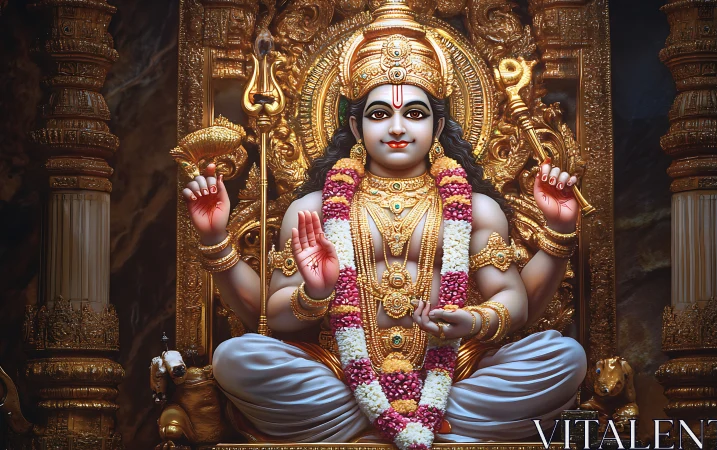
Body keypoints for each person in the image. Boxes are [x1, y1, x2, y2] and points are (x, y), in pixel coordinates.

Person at [180, 0, 586, 446]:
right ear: (356, 128)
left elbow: (512, 300)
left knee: (562, 357)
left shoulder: (476, 209)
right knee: (237, 358)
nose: (396, 127)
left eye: (414, 113)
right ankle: (407, 425)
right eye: (379, 114)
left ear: (438, 125)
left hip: (453, 375)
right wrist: (314, 293)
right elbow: (273, 318)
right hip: (339, 374)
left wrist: (472, 320)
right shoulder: (314, 209)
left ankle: (395, 423)